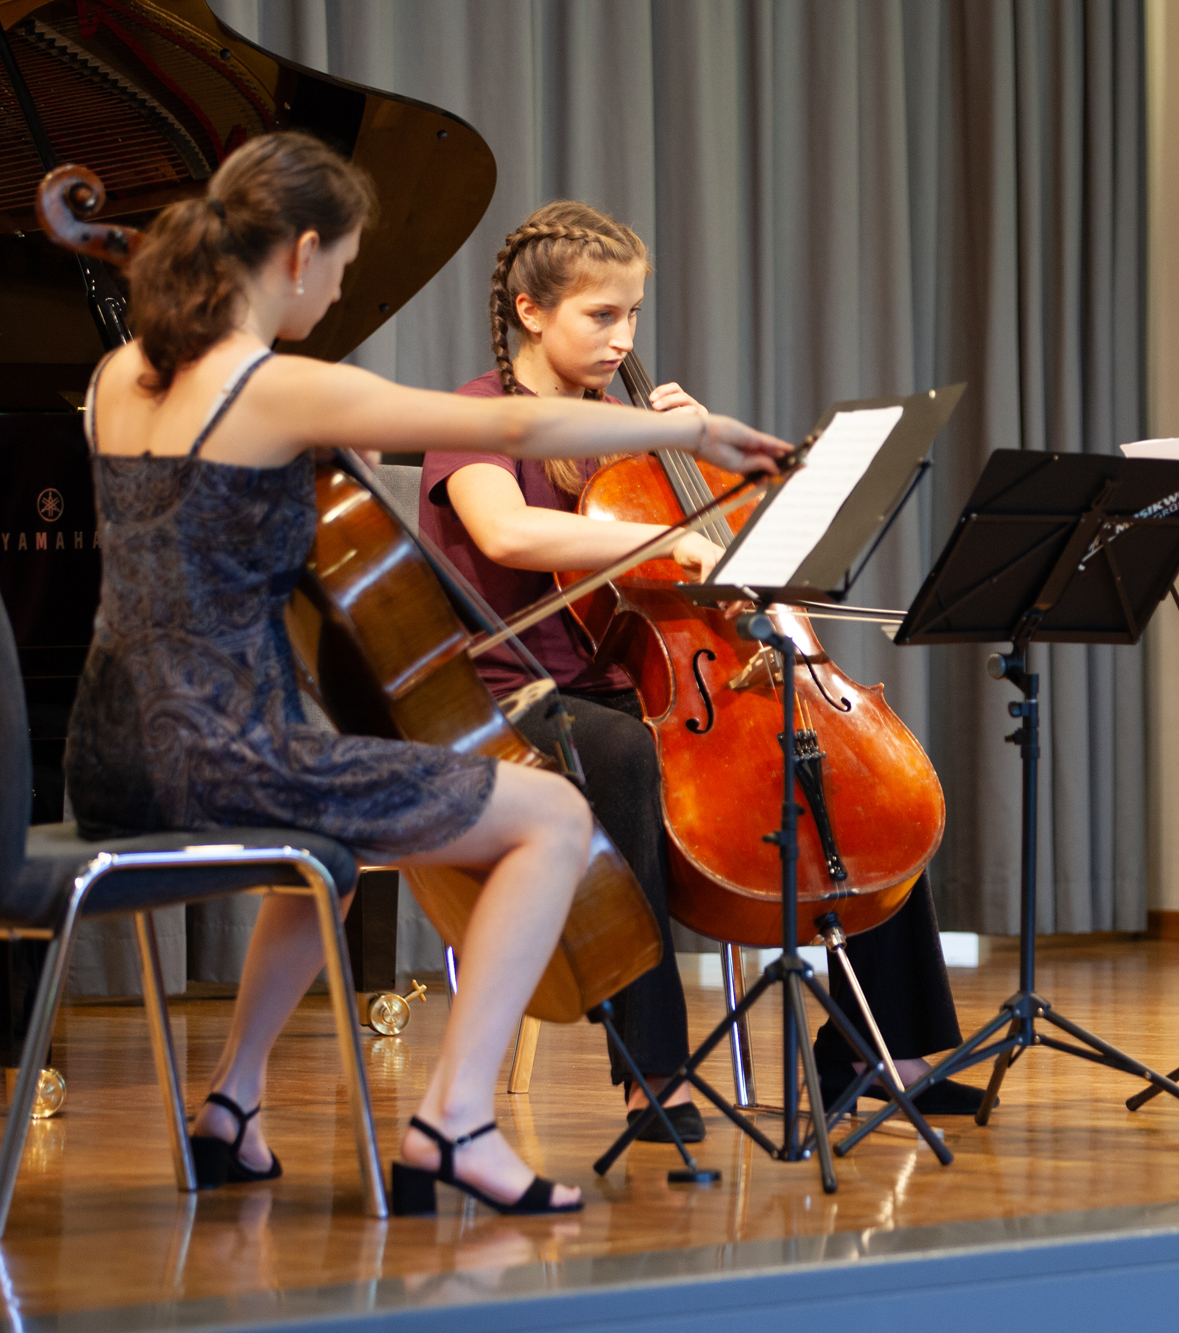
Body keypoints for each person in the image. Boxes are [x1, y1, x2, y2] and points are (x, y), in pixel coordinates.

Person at [65, 132, 789, 1215]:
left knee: (337, 841)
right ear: (300, 253)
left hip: (112, 754)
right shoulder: (276, 389)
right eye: (346, 266)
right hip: (227, 755)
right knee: (547, 813)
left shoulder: (118, 375)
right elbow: (505, 421)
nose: (343, 285)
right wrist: (688, 429)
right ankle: (455, 1121)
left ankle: (233, 1100)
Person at [417, 201, 982, 1131]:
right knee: (628, 761)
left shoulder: (624, 425)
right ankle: (655, 1075)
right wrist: (664, 535)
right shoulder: (476, 416)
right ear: (529, 311)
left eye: (632, 315)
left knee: (839, 765)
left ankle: (886, 1047)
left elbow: (730, 561)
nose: (623, 337)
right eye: (601, 315)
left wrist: (697, 447)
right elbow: (505, 530)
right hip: (513, 697)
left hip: (642, 687)